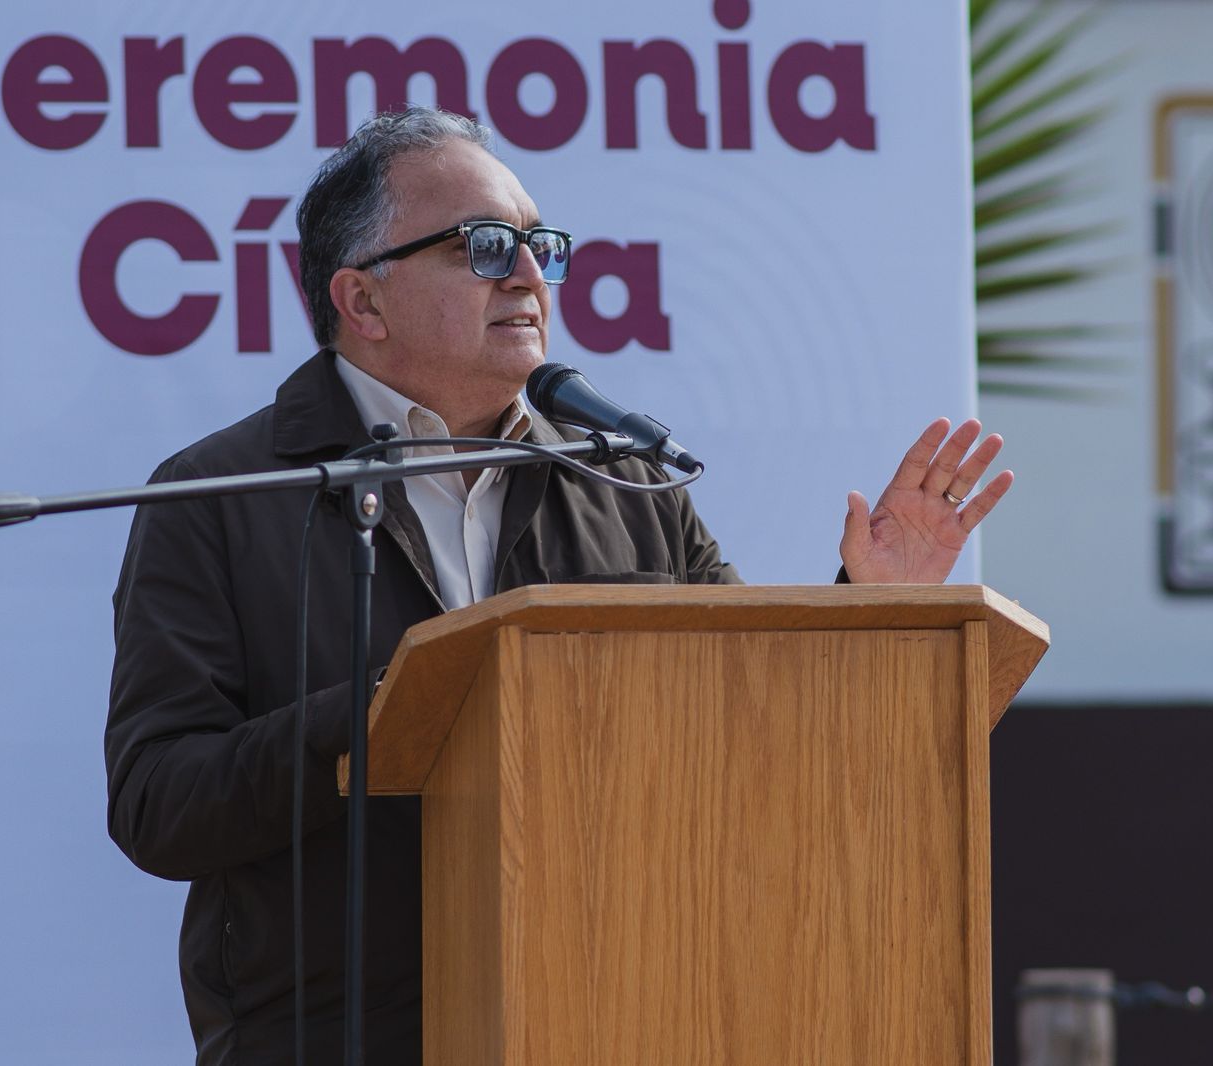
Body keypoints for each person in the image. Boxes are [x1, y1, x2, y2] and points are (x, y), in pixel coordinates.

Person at [104, 106, 1012, 1065]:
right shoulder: (222, 496)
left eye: (543, 245)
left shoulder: (625, 482)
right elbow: (159, 804)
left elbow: (748, 727)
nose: (532, 275)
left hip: (617, 1015)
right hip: (339, 1038)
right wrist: (392, 715)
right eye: (488, 247)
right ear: (363, 302)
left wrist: (864, 613)